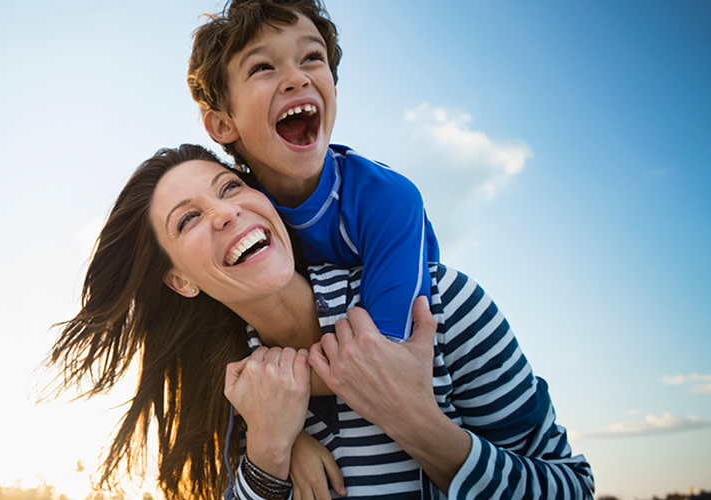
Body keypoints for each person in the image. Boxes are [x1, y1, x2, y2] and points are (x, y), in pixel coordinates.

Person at [44, 145, 593, 500]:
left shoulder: (442, 305)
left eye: (230, 187)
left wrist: (418, 425)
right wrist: (269, 451)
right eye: (188, 219)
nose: (224, 212)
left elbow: (573, 489)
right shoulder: (241, 404)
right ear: (181, 281)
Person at [187, 0, 439, 344]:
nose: (296, 78)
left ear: (332, 88)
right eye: (262, 67)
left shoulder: (387, 199)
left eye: (311, 58)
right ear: (222, 123)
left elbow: (390, 357)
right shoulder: (235, 218)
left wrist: (266, 372)